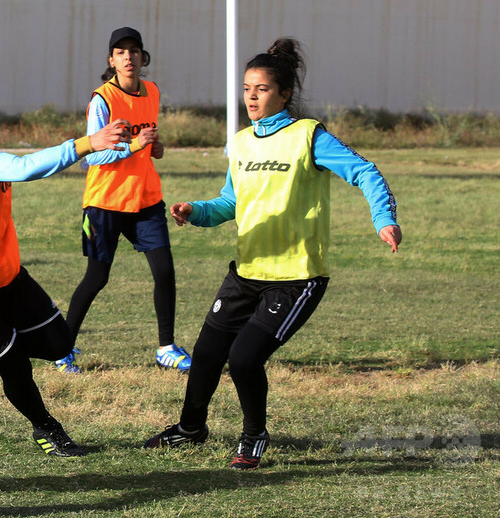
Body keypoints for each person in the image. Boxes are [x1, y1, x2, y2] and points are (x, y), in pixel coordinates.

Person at [144, 38, 401, 470]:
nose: (251, 97)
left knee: (244, 359)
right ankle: (190, 428)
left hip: (295, 278)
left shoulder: (308, 135)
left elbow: (365, 171)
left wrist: (384, 219)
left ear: (283, 94)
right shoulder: (242, 143)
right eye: (247, 88)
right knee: (207, 354)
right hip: (247, 272)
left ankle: (253, 435)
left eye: (261, 89)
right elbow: (231, 202)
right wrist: (197, 211)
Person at [0, 48, 130, 457]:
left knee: (59, 345)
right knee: (14, 362)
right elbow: (20, 169)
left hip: (4, 275)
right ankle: (47, 430)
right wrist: (87, 143)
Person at [56, 27, 191, 374]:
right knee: (96, 278)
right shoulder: (102, 99)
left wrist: (153, 148)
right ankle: (62, 349)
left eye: (134, 51)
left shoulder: (153, 92)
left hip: (146, 200)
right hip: (105, 203)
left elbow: (146, 141)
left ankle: (166, 349)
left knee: (164, 271)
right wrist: (134, 145)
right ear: (111, 60)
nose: (128, 57)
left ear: (143, 58)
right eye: (121, 51)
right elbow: (93, 157)